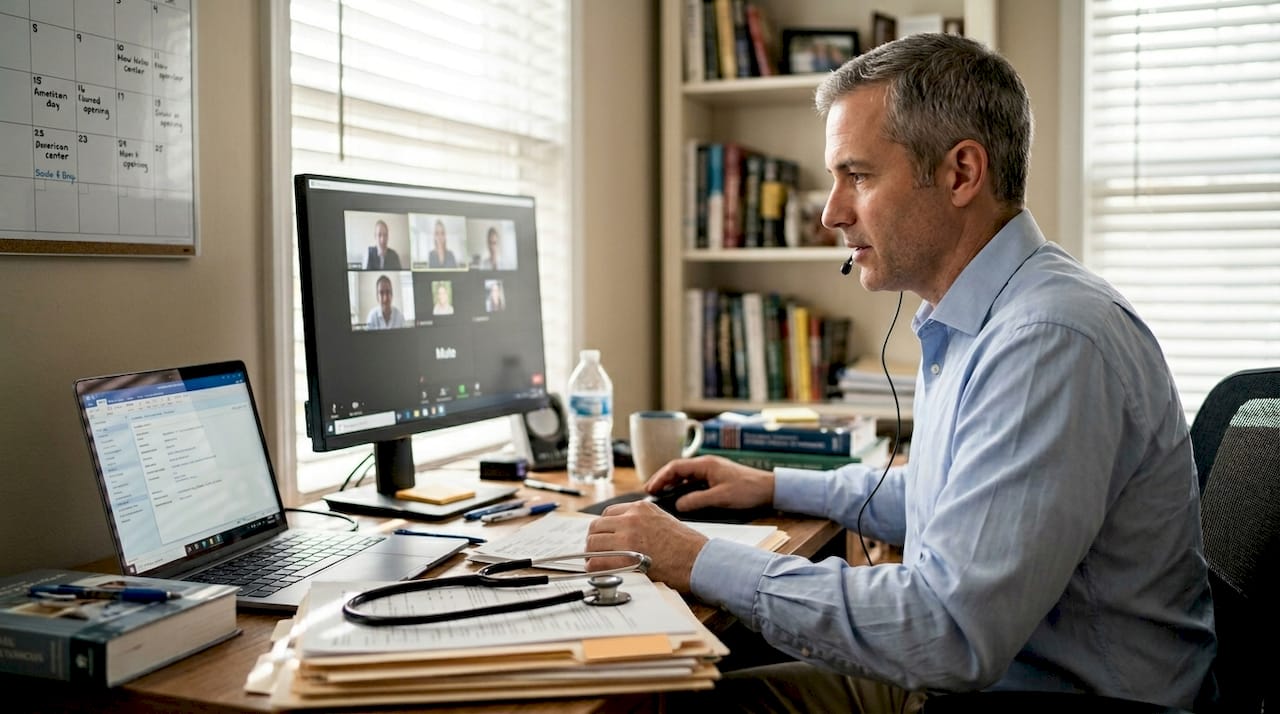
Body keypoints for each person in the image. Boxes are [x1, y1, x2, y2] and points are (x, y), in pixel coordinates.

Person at [585, 33, 1216, 713]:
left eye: (857, 175)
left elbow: (946, 632)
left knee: (673, 700)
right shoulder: (987, 316)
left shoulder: (1048, 341)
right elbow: (952, 499)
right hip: (996, 679)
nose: (831, 212)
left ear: (960, 174)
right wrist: (772, 484)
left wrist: (695, 558)